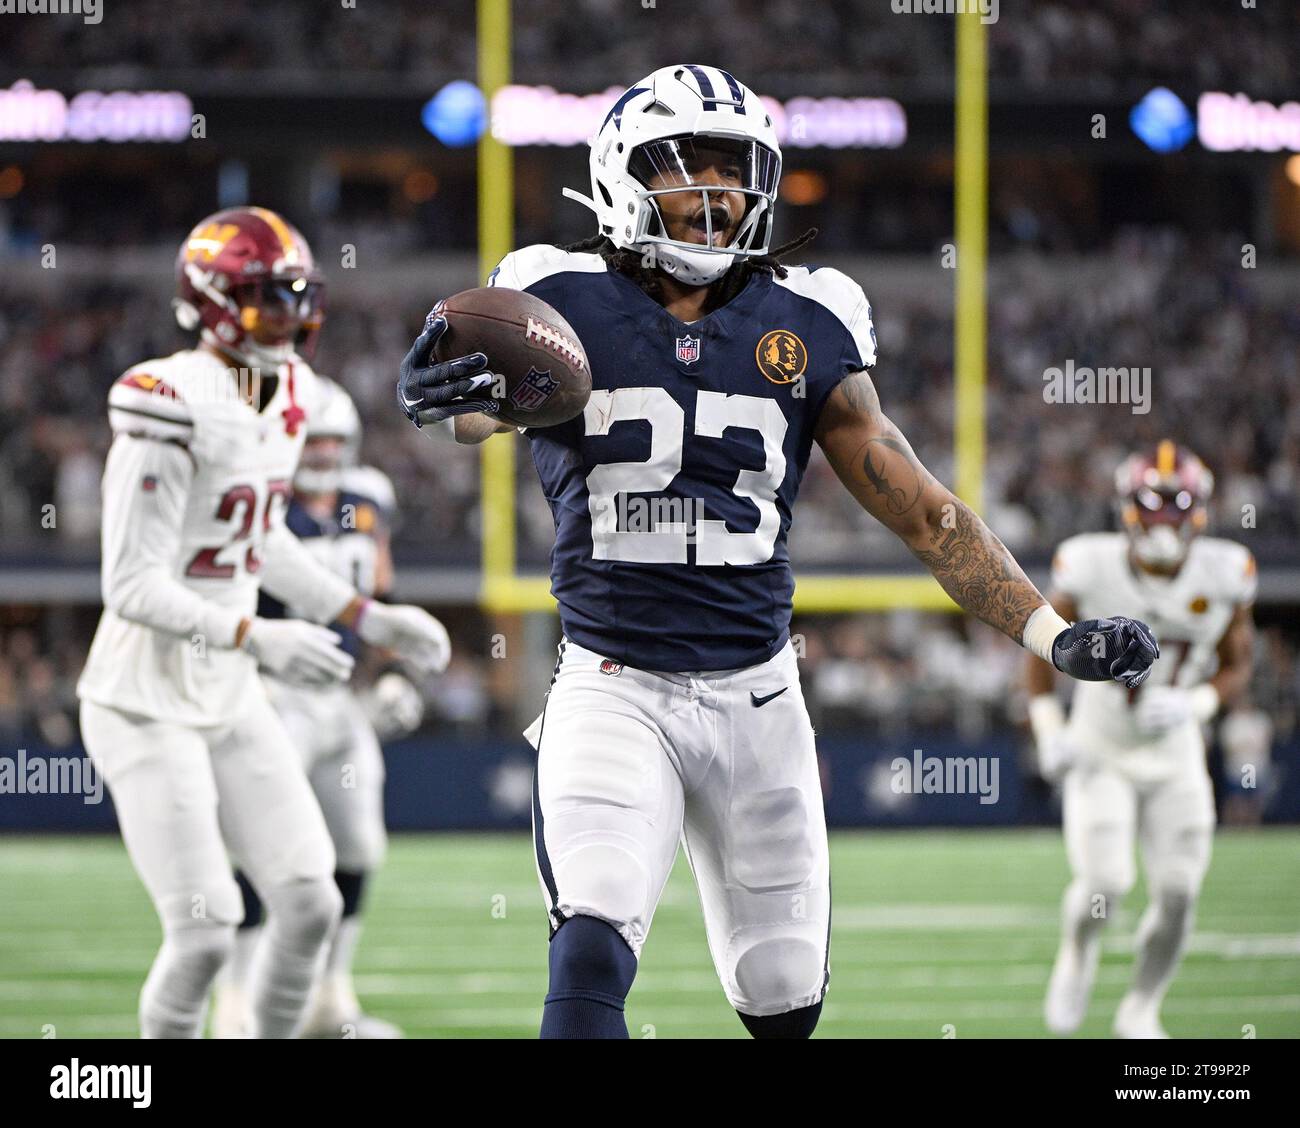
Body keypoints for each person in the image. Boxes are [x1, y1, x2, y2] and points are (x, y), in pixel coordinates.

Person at [397, 65, 1158, 1039]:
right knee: (588, 947)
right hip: (612, 685)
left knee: (783, 1000)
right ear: (623, 176)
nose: (718, 195)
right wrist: (443, 401)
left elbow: (925, 513)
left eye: (734, 170)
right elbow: (476, 414)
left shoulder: (813, 314)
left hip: (758, 697)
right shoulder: (549, 294)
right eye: (688, 168)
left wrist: (1052, 638)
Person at [77, 207, 450, 1038]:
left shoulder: (287, 393)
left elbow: (259, 537)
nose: (287, 318)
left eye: (294, 297)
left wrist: (364, 615)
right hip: (143, 700)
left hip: (229, 690)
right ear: (209, 302)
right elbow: (130, 585)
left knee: (312, 901)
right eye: (264, 299)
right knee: (207, 931)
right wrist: (256, 635)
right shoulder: (164, 399)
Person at [212, 376, 425, 1038]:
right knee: (258, 849)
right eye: (314, 439)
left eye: (335, 441)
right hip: (266, 689)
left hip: (338, 694)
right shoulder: (257, 502)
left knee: (358, 843)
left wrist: (391, 675)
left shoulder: (369, 499)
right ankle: (238, 1001)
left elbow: (378, 598)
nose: (325, 454)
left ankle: (330, 998)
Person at [1026, 442, 1256, 1038]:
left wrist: (1197, 703)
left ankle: (1141, 1006)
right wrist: (1049, 730)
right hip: (1101, 746)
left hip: (1176, 754)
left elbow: (1237, 664)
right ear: (1126, 508)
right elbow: (1040, 650)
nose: (1161, 519)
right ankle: (1078, 953)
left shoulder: (1226, 572)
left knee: (1180, 892)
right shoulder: (1088, 563)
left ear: (1199, 509)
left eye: (1175, 504)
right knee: (1106, 884)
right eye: (1150, 504)